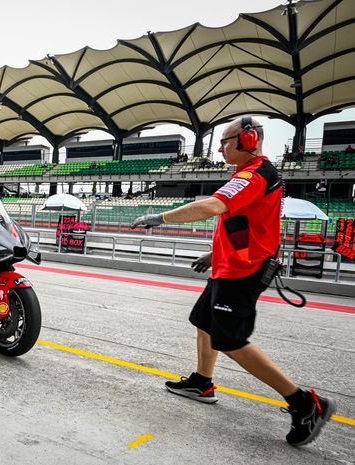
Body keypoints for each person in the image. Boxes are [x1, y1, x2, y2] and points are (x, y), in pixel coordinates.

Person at [131, 116, 336, 447]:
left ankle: (305, 403)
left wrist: (161, 217)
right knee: (203, 321)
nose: (221, 148)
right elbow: (247, 224)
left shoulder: (254, 175)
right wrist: (214, 256)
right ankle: (203, 382)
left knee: (230, 340)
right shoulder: (247, 175)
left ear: (249, 139)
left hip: (242, 272)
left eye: (226, 141)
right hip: (228, 267)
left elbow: (213, 206)